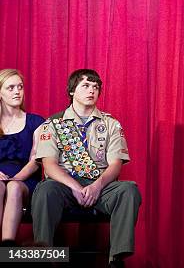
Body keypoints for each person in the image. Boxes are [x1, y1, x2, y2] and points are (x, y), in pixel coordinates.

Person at [31, 69, 141, 268]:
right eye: (86, 86)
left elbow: (116, 163)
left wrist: (97, 186)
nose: (92, 91)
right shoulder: (54, 124)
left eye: (96, 87)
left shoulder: (111, 124)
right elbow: (49, 164)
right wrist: (74, 186)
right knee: (44, 191)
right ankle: (43, 255)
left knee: (129, 190)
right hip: (64, 185)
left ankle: (116, 258)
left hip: (100, 184)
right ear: (72, 90)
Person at [0, 69, 45, 244]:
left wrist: (15, 179)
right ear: (0, 94)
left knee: (14, 187)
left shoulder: (36, 122)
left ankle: (7, 247)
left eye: (20, 87)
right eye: (10, 88)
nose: (17, 91)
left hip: (25, 181)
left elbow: (36, 160)